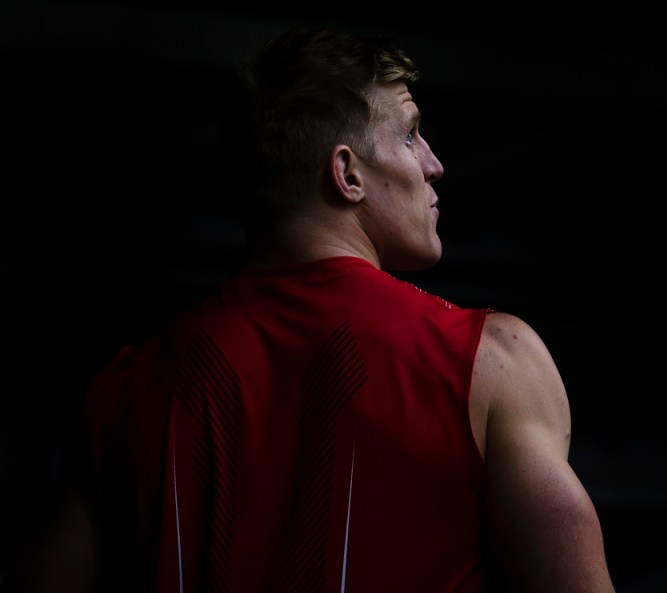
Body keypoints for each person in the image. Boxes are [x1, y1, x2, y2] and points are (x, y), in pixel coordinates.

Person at [2, 26, 616, 593]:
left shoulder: (122, 395)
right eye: (409, 133)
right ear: (346, 174)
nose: (435, 163)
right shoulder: (490, 361)